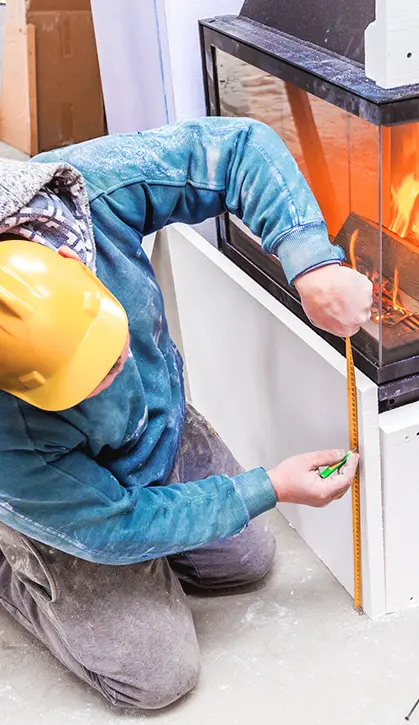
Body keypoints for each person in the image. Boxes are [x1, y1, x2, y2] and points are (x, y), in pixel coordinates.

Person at [0, 118, 372, 709]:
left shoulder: (81, 196)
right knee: (156, 675)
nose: (117, 371)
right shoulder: (7, 441)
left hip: (156, 429)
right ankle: (18, 562)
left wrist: (312, 263)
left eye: (113, 344)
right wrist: (268, 486)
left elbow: (238, 147)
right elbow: (113, 526)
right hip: (68, 494)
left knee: (245, 562)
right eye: (88, 379)